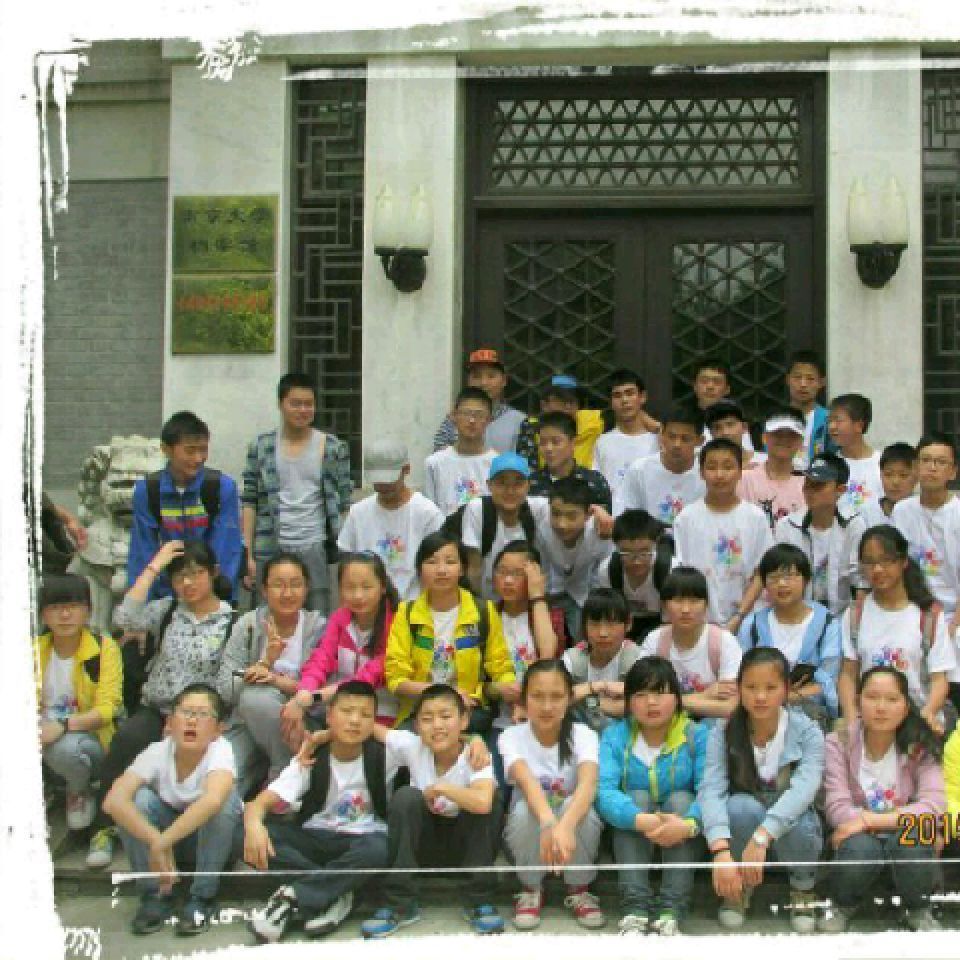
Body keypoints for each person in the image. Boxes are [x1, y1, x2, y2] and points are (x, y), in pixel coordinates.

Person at [87, 541, 237, 870]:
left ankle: (190, 841)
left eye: (197, 573)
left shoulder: (232, 621)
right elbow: (124, 617)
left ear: (213, 573)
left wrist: (192, 718)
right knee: (127, 738)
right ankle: (105, 828)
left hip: (200, 716)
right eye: (180, 576)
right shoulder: (167, 610)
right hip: (157, 709)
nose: (188, 582)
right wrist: (155, 565)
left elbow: (227, 686)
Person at [245, 680, 394, 942]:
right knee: (242, 834)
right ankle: (337, 893)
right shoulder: (311, 756)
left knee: (379, 848)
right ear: (329, 716)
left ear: (374, 722)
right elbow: (260, 803)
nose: (355, 721)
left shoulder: (387, 756)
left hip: (360, 843)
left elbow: (424, 745)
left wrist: (471, 741)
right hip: (315, 839)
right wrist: (254, 826)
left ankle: (293, 897)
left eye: (365, 715)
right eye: (346, 711)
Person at [361, 683, 505, 937]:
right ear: (416, 726)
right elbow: (368, 728)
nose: (437, 725)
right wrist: (322, 736)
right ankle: (399, 904)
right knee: (406, 797)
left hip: (466, 849)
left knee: (490, 800)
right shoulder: (412, 745)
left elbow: (483, 802)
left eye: (446, 716)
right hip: (424, 847)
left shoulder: (476, 756)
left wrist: (442, 788)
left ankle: (478, 900)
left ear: (464, 721)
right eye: (427, 719)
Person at [700, 647, 824, 933]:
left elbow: (804, 789)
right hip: (747, 818)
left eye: (770, 687)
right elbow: (711, 788)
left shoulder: (808, 730)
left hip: (789, 821)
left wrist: (763, 835)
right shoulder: (723, 730)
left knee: (801, 819)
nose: (760, 697)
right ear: (739, 688)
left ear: (786, 689)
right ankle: (739, 887)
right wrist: (720, 849)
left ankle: (802, 888)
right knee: (738, 807)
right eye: (751, 687)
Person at [103, 683, 243, 936]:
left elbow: (213, 800)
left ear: (218, 730)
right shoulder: (157, 751)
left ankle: (203, 896)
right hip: (168, 848)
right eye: (186, 712)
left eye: (203, 714)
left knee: (225, 800)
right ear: (169, 723)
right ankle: (155, 894)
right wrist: (155, 840)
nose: (192, 721)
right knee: (138, 800)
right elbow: (113, 801)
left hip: (214, 844)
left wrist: (162, 841)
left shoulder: (221, 750)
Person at [819, 665, 945, 933]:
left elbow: (933, 806)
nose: (881, 707)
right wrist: (865, 825)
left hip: (897, 831)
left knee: (914, 839)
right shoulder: (838, 742)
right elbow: (836, 807)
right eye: (872, 697)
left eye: (892, 699)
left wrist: (869, 820)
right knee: (860, 847)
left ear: (906, 706)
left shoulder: (921, 744)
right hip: (857, 835)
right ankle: (842, 907)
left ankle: (918, 911)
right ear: (858, 702)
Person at [596, 657, 709, 936]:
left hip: (686, 833)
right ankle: (635, 908)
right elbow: (603, 791)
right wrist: (640, 819)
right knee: (634, 798)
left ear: (677, 698)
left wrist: (687, 824)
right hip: (633, 831)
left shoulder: (697, 735)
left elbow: (710, 791)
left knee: (682, 800)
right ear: (628, 702)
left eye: (660, 693)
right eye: (640, 695)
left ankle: (672, 908)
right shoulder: (614, 736)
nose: (651, 703)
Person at [500, 660, 606, 931]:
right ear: (524, 700)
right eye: (537, 696)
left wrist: (565, 825)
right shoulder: (510, 736)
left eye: (557, 697)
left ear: (569, 699)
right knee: (524, 810)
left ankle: (578, 887)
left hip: (571, 826)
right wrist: (549, 822)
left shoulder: (584, 735)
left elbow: (588, 784)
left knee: (579, 807)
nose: (547, 707)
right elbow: (526, 782)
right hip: (532, 827)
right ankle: (530, 888)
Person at [241, 372, 352, 613]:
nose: (303, 410)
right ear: (281, 404)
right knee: (266, 616)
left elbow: (344, 502)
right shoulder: (262, 446)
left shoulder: (332, 447)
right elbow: (250, 501)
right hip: (270, 544)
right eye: (296, 404)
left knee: (317, 617)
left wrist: (346, 552)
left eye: (309, 404)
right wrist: (247, 552)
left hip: (314, 544)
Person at [214, 553, 326, 792]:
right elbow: (225, 690)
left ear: (307, 588)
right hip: (247, 723)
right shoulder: (248, 625)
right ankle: (282, 774)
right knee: (222, 782)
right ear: (264, 590)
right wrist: (265, 662)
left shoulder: (319, 628)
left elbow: (323, 696)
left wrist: (276, 681)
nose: (287, 593)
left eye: (295, 584)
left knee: (258, 697)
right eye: (278, 585)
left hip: (302, 722)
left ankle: (283, 777)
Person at [384, 531, 515, 729]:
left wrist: (509, 690)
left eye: (450, 562)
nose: (441, 570)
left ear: (462, 569)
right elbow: (396, 679)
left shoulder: (483, 611)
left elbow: (500, 667)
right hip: (420, 713)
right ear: (419, 570)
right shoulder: (407, 613)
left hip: (469, 712)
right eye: (432, 562)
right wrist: (445, 693)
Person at [838, 525, 955, 735]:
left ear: (903, 562)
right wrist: (851, 718)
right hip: (871, 723)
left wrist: (928, 713)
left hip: (917, 720)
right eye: (869, 562)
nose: (877, 569)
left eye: (886, 560)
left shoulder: (929, 616)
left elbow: (939, 679)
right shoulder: (855, 613)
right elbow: (848, 673)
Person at [281, 551, 399, 749]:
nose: (358, 595)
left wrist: (311, 698)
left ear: (383, 587)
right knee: (289, 718)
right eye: (350, 587)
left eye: (366, 587)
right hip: (337, 709)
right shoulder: (339, 619)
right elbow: (321, 658)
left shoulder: (397, 624)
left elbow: (365, 679)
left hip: (379, 714)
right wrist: (304, 691)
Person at [35, 574, 122, 831]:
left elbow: (108, 708)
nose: (65, 615)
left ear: (88, 611)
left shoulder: (104, 648)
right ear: (43, 615)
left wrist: (62, 725)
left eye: (73, 606)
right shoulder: (35, 650)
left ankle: (79, 790)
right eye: (55, 607)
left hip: (88, 738)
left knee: (64, 749)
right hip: (41, 733)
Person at [127, 410, 243, 601]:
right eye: (190, 451)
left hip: (210, 593)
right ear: (166, 449)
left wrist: (216, 601)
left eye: (203, 450)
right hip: (166, 592)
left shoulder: (222, 488)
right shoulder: (147, 491)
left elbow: (226, 551)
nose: (198, 458)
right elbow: (142, 551)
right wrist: (142, 601)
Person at [673, 438, 772, 631]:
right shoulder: (686, 518)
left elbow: (762, 572)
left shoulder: (755, 517)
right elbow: (681, 574)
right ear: (701, 473)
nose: (719, 475)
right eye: (711, 467)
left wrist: (739, 616)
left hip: (746, 620)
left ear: (740, 472)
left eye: (728, 467)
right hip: (698, 622)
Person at [484, 541, 562, 783]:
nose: (508, 581)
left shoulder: (548, 614)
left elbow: (548, 654)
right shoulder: (485, 615)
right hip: (498, 719)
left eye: (518, 574)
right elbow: (477, 679)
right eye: (502, 572)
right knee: (497, 785)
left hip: (540, 718)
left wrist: (537, 595)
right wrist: (496, 689)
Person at [738, 544, 842, 723]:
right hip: (759, 712)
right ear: (764, 584)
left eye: (790, 576)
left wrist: (785, 696)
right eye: (774, 577)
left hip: (810, 715)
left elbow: (829, 682)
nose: (782, 584)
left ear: (806, 580)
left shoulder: (827, 624)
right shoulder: (752, 625)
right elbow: (741, 677)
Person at [893, 433, 960, 699]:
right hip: (914, 609)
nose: (932, 467)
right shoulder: (902, 511)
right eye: (926, 460)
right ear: (915, 467)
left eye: (941, 462)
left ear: (953, 471)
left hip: (954, 613)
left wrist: (950, 627)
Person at [337, 441, 443, 602]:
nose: (383, 486)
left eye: (389, 480)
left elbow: (437, 568)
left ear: (406, 470)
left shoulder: (428, 514)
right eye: (378, 481)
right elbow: (346, 565)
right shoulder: (358, 513)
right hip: (367, 605)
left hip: (414, 605)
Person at [640, 567, 743, 720]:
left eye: (694, 601)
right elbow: (642, 697)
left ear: (706, 605)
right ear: (664, 605)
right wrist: (705, 695)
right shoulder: (655, 640)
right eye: (678, 600)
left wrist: (669, 701)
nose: (686, 609)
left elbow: (730, 707)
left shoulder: (724, 641)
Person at [774, 452, 867, 616]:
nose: (809, 491)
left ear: (840, 490)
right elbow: (779, 577)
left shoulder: (854, 525)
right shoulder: (786, 526)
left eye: (818, 486)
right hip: (796, 615)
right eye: (807, 484)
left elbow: (860, 580)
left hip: (841, 617)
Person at [460, 452, 550, 601]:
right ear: (489, 485)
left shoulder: (538, 508)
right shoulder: (478, 509)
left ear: (528, 486)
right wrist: (479, 608)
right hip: (487, 602)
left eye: (518, 483)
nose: (510, 491)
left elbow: (570, 506)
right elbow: (474, 567)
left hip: (525, 602)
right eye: (501, 483)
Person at [537, 477, 614, 641]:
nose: (562, 524)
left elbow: (602, 578)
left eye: (571, 516)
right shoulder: (541, 522)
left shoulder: (600, 532)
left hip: (584, 592)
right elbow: (542, 569)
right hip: (552, 590)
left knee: (585, 638)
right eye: (555, 514)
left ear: (588, 515)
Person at [563, 588, 643, 732]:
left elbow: (645, 703)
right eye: (594, 624)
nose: (603, 633)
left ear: (628, 623)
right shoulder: (571, 658)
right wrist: (595, 687)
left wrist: (590, 701)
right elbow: (555, 698)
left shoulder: (638, 658)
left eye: (611, 624)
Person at [593, 509, 674, 640]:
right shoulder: (607, 570)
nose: (637, 561)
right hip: (624, 621)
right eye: (627, 553)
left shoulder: (670, 570)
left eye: (644, 552)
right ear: (616, 546)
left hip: (662, 621)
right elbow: (609, 613)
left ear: (655, 544)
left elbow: (672, 620)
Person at [616, 407, 706, 524]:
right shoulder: (639, 470)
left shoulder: (708, 473)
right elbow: (627, 517)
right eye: (671, 436)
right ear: (661, 435)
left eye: (685, 439)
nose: (677, 445)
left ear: (700, 441)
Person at [432, 347, 526, 454]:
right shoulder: (453, 420)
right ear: (468, 380)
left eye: (491, 376)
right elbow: (439, 458)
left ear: (504, 380)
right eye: (477, 376)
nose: (483, 383)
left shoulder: (519, 421)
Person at [424, 387, 497, 516]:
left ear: (489, 419)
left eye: (479, 415)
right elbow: (430, 512)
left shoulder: (497, 463)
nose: (472, 420)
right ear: (454, 416)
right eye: (466, 413)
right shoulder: (434, 463)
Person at [592, 368, 660, 502]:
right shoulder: (603, 442)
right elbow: (597, 484)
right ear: (611, 402)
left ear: (642, 397)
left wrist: (656, 426)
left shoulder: (659, 439)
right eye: (617, 395)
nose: (624, 400)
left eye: (630, 393)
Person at [516, 375, 608, 471]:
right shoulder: (531, 427)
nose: (568, 406)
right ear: (544, 405)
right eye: (562, 400)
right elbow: (527, 469)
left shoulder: (596, 422)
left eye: (572, 401)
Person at [529, 411, 612, 512]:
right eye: (543, 443)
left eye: (556, 442)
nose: (548, 448)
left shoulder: (594, 482)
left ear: (573, 443)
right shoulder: (530, 483)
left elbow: (605, 518)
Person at [739, 410, 807, 529]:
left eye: (792, 435)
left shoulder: (810, 483)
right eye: (778, 434)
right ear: (764, 437)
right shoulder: (744, 479)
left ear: (801, 441)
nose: (784, 440)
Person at [828, 393, 883, 517]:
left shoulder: (882, 462)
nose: (831, 427)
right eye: (829, 421)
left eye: (838, 421)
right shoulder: (829, 465)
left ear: (859, 425)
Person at [785, 349, 835, 470]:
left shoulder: (829, 420)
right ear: (787, 380)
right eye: (797, 377)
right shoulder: (776, 418)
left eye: (810, 379)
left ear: (822, 382)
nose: (803, 384)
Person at [692, 360, 754, 452]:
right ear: (694, 386)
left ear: (727, 389)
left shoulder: (740, 419)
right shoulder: (682, 419)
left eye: (717, 382)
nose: (710, 386)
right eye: (704, 381)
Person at [862, 441, 917, 527]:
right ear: (881, 475)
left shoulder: (924, 513)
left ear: (917, 477)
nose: (895, 482)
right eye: (888, 474)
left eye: (903, 475)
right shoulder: (866, 514)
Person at [702, 400, 764, 471]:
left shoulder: (765, 461)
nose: (725, 432)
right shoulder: (704, 467)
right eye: (717, 427)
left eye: (730, 424)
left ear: (744, 427)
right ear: (711, 433)